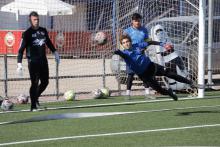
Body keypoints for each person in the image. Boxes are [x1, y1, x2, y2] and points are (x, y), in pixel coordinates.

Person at [114, 35, 195, 101]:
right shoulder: (125, 54)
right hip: (144, 75)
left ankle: (190, 83)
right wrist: (117, 52)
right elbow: (122, 54)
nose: (126, 44)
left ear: (130, 42)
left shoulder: (137, 45)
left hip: (151, 66)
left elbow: (150, 42)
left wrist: (162, 44)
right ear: (122, 45)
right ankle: (170, 93)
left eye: (127, 41)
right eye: (124, 43)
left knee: (169, 73)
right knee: (160, 90)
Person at [16, 11, 60, 111]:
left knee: (45, 82)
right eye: (34, 20)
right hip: (33, 62)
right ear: (30, 20)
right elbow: (20, 50)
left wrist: (55, 52)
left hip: (43, 61)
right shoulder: (27, 33)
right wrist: (19, 64)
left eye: (37, 19)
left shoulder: (43, 30)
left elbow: (48, 42)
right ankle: (33, 106)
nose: (36, 21)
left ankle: (35, 98)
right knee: (35, 83)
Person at [123, 13, 151, 98]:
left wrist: (145, 47)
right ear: (132, 21)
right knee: (130, 74)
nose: (137, 22)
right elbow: (123, 42)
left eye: (139, 20)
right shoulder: (127, 31)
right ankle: (128, 93)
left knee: (144, 73)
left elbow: (147, 40)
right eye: (135, 21)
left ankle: (147, 91)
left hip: (141, 54)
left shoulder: (144, 30)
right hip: (131, 55)